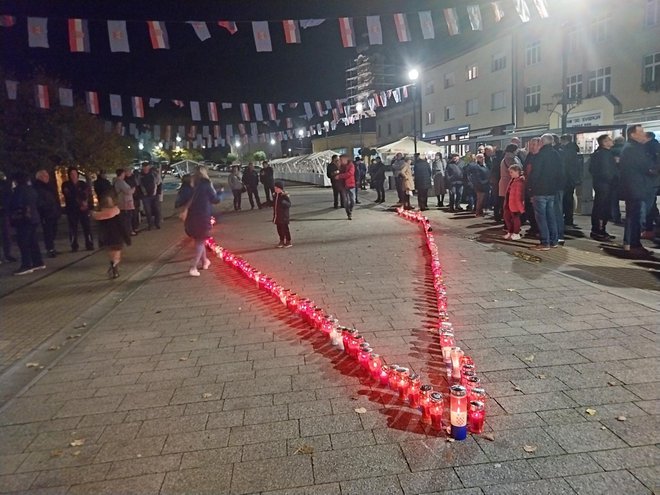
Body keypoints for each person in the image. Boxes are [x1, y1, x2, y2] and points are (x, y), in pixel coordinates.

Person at [620, 124, 656, 256]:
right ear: (633, 135)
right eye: (641, 132)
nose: (643, 134)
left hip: (636, 187)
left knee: (634, 216)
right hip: (636, 188)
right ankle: (632, 244)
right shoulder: (632, 149)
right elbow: (647, 166)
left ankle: (631, 243)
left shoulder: (633, 148)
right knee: (635, 217)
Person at [528, 134, 563, 250]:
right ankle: (554, 240)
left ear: (542, 142)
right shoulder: (556, 154)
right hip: (551, 191)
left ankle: (544, 242)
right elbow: (560, 173)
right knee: (551, 216)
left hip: (540, 190)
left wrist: (531, 190)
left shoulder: (540, 156)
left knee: (541, 218)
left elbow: (535, 174)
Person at [185, 166, 220, 276]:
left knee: (199, 239)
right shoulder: (206, 184)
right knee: (200, 241)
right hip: (202, 216)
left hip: (191, 216)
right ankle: (193, 267)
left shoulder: (191, 185)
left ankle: (205, 261)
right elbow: (215, 199)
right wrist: (221, 193)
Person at [9, 172, 45, 275]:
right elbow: (38, 202)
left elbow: (16, 205)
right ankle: (38, 262)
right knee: (33, 241)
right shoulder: (31, 190)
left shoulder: (18, 191)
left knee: (23, 242)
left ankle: (26, 264)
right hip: (34, 218)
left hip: (24, 219)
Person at [92, 195, 130, 279]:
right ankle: (114, 269)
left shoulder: (99, 215)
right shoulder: (116, 212)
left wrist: (100, 241)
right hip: (117, 237)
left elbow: (99, 229)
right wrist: (127, 238)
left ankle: (113, 268)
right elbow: (122, 227)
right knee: (116, 255)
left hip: (106, 238)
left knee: (111, 255)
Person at [589, 134, 618, 241]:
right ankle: (599, 231)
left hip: (601, 185)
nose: (612, 141)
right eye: (609, 140)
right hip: (605, 186)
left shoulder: (598, 154)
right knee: (602, 208)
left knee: (600, 207)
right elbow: (607, 171)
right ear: (604, 143)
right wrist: (612, 180)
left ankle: (599, 230)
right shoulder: (604, 155)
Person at [61, 166, 94, 252]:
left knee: (87, 227)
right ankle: (74, 245)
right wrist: (80, 202)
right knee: (73, 228)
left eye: (75, 174)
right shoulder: (66, 185)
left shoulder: (82, 184)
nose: (73, 175)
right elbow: (70, 196)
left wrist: (85, 203)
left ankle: (89, 243)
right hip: (72, 209)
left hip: (83, 209)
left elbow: (86, 193)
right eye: (71, 174)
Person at [34, 169, 61, 258]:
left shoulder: (49, 186)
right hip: (46, 213)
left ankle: (52, 247)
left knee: (53, 231)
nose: (47, 177)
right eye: (45, 176)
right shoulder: (38, 187)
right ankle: (50, 249)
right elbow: (39, 201)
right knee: (48, 232)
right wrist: (46, 208)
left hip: (53, 212)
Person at [560, 134, 582, 228]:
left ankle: (567, 219)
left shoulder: (566, 151)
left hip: (567, 179)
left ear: (564, 140)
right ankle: (569, 219)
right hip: (572, 179)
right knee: (569, 200)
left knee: (566, 200)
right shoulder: (573, 150)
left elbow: (566, 167)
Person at [523, 137, 541, 237]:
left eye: (534, 145)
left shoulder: (540, 157)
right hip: (528, 186)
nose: (532, 147)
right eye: (530, 145)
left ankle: (538, 229)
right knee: (529, 209)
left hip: (536, 188)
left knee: (537, 210)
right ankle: (533, 227)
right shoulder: (529, 156)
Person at [498, 144, 522, 221]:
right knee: (509, 204)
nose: (518, 150)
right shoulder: (509, 159)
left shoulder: (510, 158)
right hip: (508, 183)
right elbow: (515, 169)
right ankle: (508, 223)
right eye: (517, 149)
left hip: (507, 183)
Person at [503, 164, 526, 240]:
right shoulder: (513, 180)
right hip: (509, 203)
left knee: (515, 219)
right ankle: (510, 231)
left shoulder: (520, 182)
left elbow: (519, 196)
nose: (510, 174)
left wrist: (520, 207)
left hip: (515, 204)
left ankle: (516, 233)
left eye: (511, 172)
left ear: (517, 172)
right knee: (507, 218)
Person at [0, 171, 17, 262]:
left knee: (6, 234)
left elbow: (8, 196)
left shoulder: (5, 185)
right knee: (6, 234)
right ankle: (7, 254)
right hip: (4, 212)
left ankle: (7, 254)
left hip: (3, 212)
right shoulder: (5, 185)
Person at [114, 168, 136, 238]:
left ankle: (128, 231)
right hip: (125, 203)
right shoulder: (120, 182)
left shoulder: (118, 181)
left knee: (127, 218)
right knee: (127, 218)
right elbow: (128, 191)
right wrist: (133, 189)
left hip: (124, 202)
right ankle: (128, 231)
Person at [139, 162, 161, 230]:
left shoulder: (153, 174)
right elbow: (138, 185)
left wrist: (158, 192)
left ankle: (157, 223)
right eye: (144, 168)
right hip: (145, 196)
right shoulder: (140, 175)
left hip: (154, 195)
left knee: (157, 209)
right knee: (148, 211)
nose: (145, 169)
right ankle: (150, 225)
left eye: (146, 167)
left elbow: (159, 183)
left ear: (149, 167)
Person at [273, 181, 292, 248]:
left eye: (276, 188)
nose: (275, 189)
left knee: (285, 229)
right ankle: (281, 240)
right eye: (275, 188)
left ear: (280, 188)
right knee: (279, 229)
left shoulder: (284, 196)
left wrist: (284, 203)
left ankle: (288, 241)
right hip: (277, 216)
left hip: (284, 216)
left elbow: (289, 204)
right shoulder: (275, 195)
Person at [336, 154, 356, 219]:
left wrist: (340, 176)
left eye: (341, 159)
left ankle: (350, 209)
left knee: (353, 200)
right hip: (343, 186)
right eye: (340, 160)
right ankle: (348, 213)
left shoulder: (351, 165)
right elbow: (338, 174)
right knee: (345, 200)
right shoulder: (340, 166)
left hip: (350, 185)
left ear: (346, 159)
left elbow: (350, 173)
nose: (341, 161)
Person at [125, 167, 141, 233]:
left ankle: (135, 226)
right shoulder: (125, 180)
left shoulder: (134, 178)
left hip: (135, 198)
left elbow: (137, 187)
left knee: (135, 213)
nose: (128, 173)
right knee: (131, 214)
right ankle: (132, 227)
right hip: (130, 198)